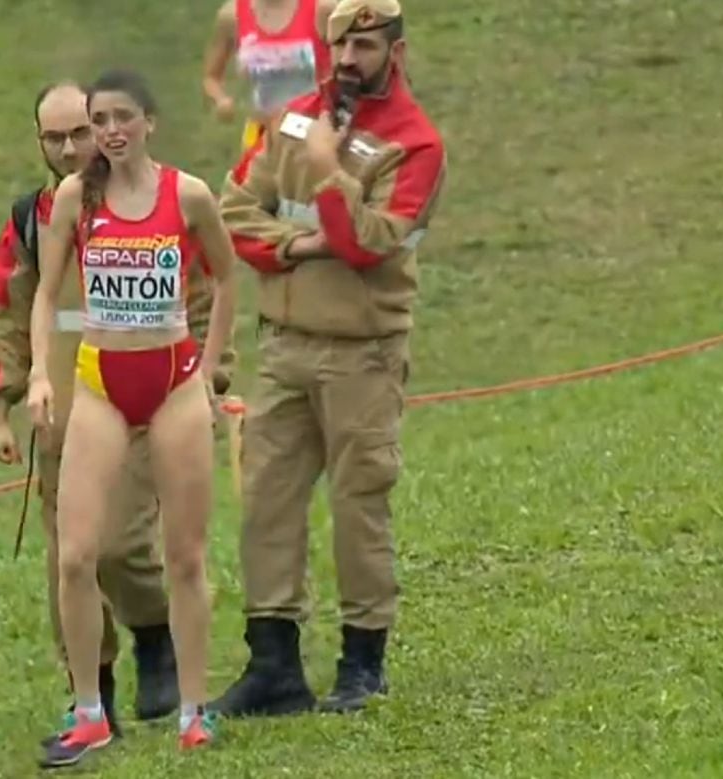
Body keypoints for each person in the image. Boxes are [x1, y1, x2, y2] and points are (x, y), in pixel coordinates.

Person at [210, 0, 447, 718]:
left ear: (394, 52)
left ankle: (362, 663)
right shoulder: (290, 119)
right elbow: (232, 212)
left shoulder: (416, 146)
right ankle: (274, 665)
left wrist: (323, 177)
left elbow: (371, 244)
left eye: (365, 47)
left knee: (358, 508)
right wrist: (296, 244)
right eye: (340, 46)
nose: (347, 61)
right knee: (267, 505)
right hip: (284, 347)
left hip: (362, 355)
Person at [0, 81, 235, 743]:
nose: (70, 148)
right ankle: (91, 694)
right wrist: (2, 406)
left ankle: (156, 637)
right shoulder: (35, 217)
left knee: (126, 545)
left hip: (151, 391)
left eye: (80, 133)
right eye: (55, 137)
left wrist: (210, 373)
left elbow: (204, 286)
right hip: (62, 408)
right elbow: (10, 307)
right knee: (69, 555)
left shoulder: (167, 199)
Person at [202, 0, 335, 150]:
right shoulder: (232, 15)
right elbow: (211, 77)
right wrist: (221, 100)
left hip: (314, 132)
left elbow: (349, 62)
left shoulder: (322, 9)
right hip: (261, 133)